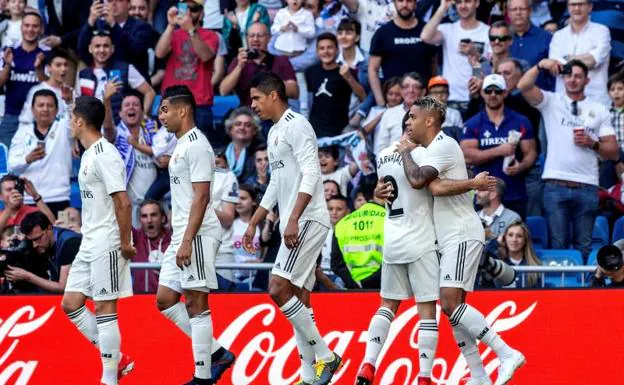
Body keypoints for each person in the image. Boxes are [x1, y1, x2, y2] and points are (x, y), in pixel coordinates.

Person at [360, 107, 496, 385]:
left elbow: (382, 188)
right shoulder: (423, 153)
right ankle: (424, 377)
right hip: (421, 240)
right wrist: (472, 182)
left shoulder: (383, 154)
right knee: (427, 311)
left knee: (387, 305)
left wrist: (376, 191)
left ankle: (367, 364)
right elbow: (425, 183)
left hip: (392, 239)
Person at [397, 96, 524, 385]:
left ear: (429, 120)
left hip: (461, 233)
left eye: (413, 117)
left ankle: (506, 353)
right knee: (455, 311)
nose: (408, 122)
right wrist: (471, 183)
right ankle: (479, 376)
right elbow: (437, 186)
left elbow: (419, 181)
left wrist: (405, 152)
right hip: (450, 236)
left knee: (450, 303)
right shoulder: (432, 149)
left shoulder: (442, 144)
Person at [242, 72, 341, 385]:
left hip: (308, 218)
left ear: (273, 95)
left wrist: (294, 217)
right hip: (295, 220)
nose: (252, 105)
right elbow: (275, 182)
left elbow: (312, 174)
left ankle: (326, 355)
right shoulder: (273, 133)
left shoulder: (297, 125)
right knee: (299, 297)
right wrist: (254, 222)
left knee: (278, 289)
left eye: (256, 98)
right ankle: (308, 376)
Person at [154, 85, 234, 385]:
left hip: (197, 233)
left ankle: (202, 376)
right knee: (164, 300)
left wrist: (188, 239)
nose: (161, 116)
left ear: (182, 110)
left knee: (196, 302)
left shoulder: (197, 145)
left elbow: (202, 197)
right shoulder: (183, 145)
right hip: (184, 233)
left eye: (165, 109)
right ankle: (216, 352)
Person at [60, 96, 136, 385]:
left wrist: (126, 242)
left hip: (108, 241)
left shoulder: (105, 153)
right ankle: (117, 358)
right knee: (71, 303)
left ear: (80, 121)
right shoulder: (89, 153)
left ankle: (109, 379)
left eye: (71, 118)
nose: (69, 123)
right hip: (89, 240)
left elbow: (124, 202)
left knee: (105, 307)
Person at [518, 58, 618, 261]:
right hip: (555, 183)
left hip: (587, 184)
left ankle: (586, 292)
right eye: (569, 75)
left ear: (587, 81)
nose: (573, 79)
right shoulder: (551, 101)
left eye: (578, 76)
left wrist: (593, 143)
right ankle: (560, 292)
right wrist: (540, 65)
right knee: (558, 245)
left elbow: (613, 151)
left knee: (584, 245)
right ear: (564, 78)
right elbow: (523, 86)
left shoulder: (599, 109)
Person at [461, 74, 537, 218]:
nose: (493, 95)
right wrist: (498, 151)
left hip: (514, 192)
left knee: (516, 237)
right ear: (482, 93)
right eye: (488, 91)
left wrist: (521, 166)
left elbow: (531, 153)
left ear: (505, 93)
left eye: (498, 91)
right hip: (483, 195)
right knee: (481, 238)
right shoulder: (472, 124)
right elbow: (467, 157)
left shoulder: (521, 121)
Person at [155, 1, 221, 145]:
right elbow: (159, 53)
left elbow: (205, 55)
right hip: (170, 102)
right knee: (167, 152)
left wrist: (191, 31)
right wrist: (171, 25)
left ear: (202, 13)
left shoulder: (211, 35)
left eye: (194, 9)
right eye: (186, 9)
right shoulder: (173, 33)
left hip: (199, 104)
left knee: (199, 152)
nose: (189, 13)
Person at [8, 89, 74, 214]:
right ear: (32, 109)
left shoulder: (63, 127)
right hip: (28, 198)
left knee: (59, 233)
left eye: (50, 106)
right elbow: (12, 166)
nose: (45, 109)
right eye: (40, 105)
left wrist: (70, 101)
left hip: (58, 197)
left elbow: (74, 119)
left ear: (56, 109)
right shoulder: (22, 132)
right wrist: (27, 159)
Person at [420, 0, 491, 116]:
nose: (463, 6)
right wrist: (443, 7)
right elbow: (425, 36)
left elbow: (492, 65)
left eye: (467, 1)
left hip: (479, 98)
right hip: (450, 99)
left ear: (477, 3)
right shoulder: (448, 29)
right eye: (458, 2)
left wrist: (475, 53)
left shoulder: (488, 31)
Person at [77, 29, 155, 126]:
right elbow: (78, 105)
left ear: (112, 49)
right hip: (92, 129)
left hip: (120, 129)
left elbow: (149, 92)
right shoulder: (83, 74)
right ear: (90, 49)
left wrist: (142, 115)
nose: (101, 50)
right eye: (97, 46)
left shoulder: (125, 69)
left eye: (106, 46)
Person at [102, 90, 160, 220]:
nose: (131, 107)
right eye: (127, 105)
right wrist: (106, 101)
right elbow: (107, 127)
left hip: (155, 206)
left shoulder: (153, 134)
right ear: (121, 114)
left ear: (142, 111)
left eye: (135, 104)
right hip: (129, 208)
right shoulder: (117, 135)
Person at [368, 0, 435, 109]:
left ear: (415, 3)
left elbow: (433, 66)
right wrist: (381, 102)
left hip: (422, 102)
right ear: (394, 3)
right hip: (393, 101)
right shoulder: (382, 33)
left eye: (409, 1)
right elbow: (372, 69)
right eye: (400, 0)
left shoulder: (426, 31)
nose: (404, 5)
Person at [220, 22, 298, 107]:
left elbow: (294, 92)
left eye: (260, 36)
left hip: (274, 114)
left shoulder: (280, 60)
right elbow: (223, 91)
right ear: (247, 38)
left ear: (268, 38)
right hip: (249, 114)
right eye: (251, 36)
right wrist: (239, 66)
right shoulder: (239, 61)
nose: (255, 39)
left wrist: (272, 83)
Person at [549, 0, 611, 105]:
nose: (577, 8)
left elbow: (593, 61)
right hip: (564, 103)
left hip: (595, 101)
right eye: (573, 4)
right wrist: (587, 56)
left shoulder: (602, 31)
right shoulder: (558, 36)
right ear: (568, 8)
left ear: (590, 7)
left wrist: (567, 58)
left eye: (581, 4)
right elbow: (556, 67)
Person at [4, 210, 80, 293]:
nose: (34, 245)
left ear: (49, 228)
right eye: (31, 240)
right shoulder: (38, 240)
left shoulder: (69, 242)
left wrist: (27, 276)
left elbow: (63, 287)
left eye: (38, 239)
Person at [306, 32, 365, 137]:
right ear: (317, 51)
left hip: (338, 131)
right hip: (314, 130)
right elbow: (307, 101)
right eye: (322, 48)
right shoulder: (310, 72)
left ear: (337, 49)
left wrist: (348, 77)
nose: (326, 51)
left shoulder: (347, 71)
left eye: (330, 47)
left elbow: (362, 97)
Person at [0, 12, 46, 147]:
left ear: (41, 29)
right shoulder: (8, 51)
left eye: (35, 26)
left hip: (39, 119)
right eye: (27, 25)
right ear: (21, 27)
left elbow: (49, 87)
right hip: (11, 116)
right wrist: (8, 65)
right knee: (5, 163)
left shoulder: (46, 53)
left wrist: (39, 69)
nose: (30, 29)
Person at [78, 0, 155, 79]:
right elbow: (82, 49)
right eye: (110, 1)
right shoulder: (101, 25)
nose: (114, 4)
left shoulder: (142, 26)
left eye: (119, 0)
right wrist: (90, 21)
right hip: (105, 80)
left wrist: (114, 25)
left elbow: (136, 49)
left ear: (128, 4)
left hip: (133, 83)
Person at [330, 191, 384, 290]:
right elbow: (396, 256)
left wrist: (356, 285)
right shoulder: (388, 218)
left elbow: (336, 264)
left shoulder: (342, 224)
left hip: (353, 286)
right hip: (384, 284)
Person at [375, 72, 425, 156]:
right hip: (392, 163)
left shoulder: (431, 114)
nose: (411, 90)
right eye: (406, 86)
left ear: (423, 92)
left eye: (415, 87)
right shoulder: (389, 113)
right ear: (401, 91)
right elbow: (379, 150)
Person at [507, 0, 553, 90]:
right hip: (507, 99)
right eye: (514, 9)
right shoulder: (501, 37)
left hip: (537, 98)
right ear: (508, 13)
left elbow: (552, 72)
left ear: (530, 11)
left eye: (522, 9)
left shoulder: (546, 37)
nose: (518, 13)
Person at [482, 220, 542, 288]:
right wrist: (496, 242)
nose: (514, 239)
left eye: (519, 236)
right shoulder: (498, 262)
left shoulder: (534, 265)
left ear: (525, 240)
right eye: (510, 235)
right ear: (504, 238)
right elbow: (482, 257)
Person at [19, 49, 72, 125]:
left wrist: (69, 102)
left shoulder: (71, 92)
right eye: (58, 65)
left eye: (66, 65)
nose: (63, 69)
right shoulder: (36, 90)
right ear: (48, 68)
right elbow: (26, 120)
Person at [211, 149, 239, 291]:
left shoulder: (227, 177)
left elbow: (228, 218)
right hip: (193, 250)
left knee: (224, 305)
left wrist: (203, 206)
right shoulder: (186, 175)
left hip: (221, 252)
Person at [131, 199, 172, 294]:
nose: (149, 220)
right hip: (139, 300)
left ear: (162, 218)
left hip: (167, 299)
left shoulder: (173, 239)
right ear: (140, 220)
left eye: (153, 215)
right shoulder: (136, 238)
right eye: (144, 216)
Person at [232, 184, 263, 288]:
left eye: (243, 198)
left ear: (253, 201)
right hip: (233, 278)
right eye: (236, 198)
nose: (238, 202)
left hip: (255, 279)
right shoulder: (229, 225)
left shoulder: (261, 226)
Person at [224, 107, 264, 181]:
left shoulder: (261, 154)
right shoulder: (220, 154)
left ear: (254, 131)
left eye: (247, 125)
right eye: (238, 124)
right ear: (230, 129)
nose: (242, 128)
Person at [319, 194, 349, 287]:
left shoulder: (352, 233)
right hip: (318, 276)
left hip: (343, 278)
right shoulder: (318, 232)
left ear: (347, 212)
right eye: (330, 209)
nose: (334, 212)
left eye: (339, 209)